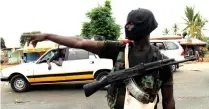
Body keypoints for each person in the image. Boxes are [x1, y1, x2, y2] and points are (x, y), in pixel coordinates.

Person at [24, 8, 175, 109]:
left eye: (131, 24)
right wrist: (47, 36)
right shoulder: (118, 49)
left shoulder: (162, 61)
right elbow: (79, 42)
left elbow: (168, 101)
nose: (128, 27)